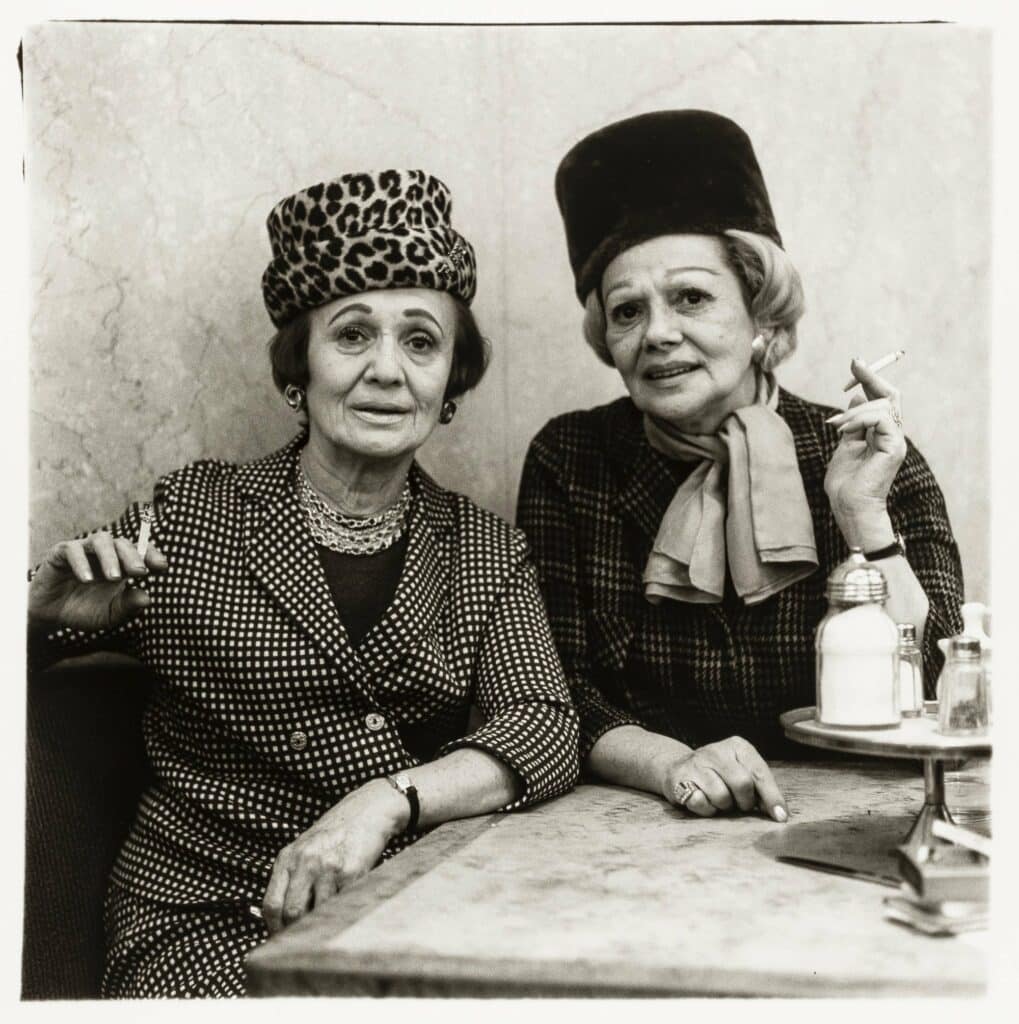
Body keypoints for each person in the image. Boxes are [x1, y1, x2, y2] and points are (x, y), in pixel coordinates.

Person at [28, 169, 580, 998]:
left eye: (420, 341)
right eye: (352, 336)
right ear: (300, 367)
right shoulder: (195, 512)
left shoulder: (484, 549)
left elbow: (542, 726)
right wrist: (34, 618)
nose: (388, 372)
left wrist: (384, 803)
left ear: (449, 381)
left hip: (397, 913)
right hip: (203, 915)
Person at [517, 110, 963, 823]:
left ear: (760, 315)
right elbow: (553, 688)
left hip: (850, 817)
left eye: (691, 297)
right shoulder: (572, 459)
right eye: (626, 311)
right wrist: (673, 765)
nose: (658, 334)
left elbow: (944, 690)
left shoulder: (864, 453)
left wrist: (861, 516)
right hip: (641, 816)